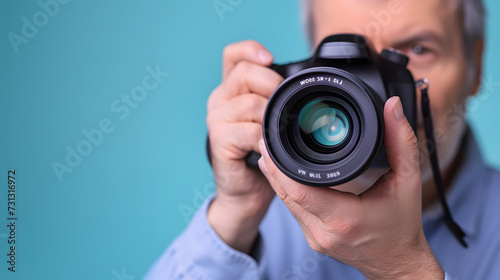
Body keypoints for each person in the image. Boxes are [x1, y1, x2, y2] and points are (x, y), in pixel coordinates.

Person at [145, 0, 500, 279]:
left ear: (476, 65)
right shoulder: (268, 214)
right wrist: (234, 217)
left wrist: (403, 270)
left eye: (417, 51)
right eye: (347, 63)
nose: (372, 92)